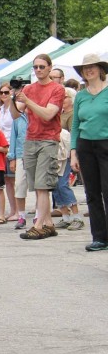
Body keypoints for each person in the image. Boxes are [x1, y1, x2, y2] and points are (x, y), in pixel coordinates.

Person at [10, 54, 65, 240]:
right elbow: (16, 115)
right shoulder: (28, 89)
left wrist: (27, 100)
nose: (38, 70)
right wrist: (12, 98)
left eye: (42, 66)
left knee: (42, 185)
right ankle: (49, 223)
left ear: (50, 67)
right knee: (36, 186)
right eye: (35, 67)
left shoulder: (57, 89)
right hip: (30, 139)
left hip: (48, 139)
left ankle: (38, 225)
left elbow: (48, 114)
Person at [70, 53, 108, 251]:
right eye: (85, 68)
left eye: (92, 66)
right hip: (85, 146)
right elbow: (75, 124)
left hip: (106, 144)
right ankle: (99, 237)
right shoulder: (81, 96)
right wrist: (73, 152)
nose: (89, 70)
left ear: (101, 69)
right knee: (92, 193)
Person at [53, 87, 83, 230]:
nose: (63, 99)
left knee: (63, 184)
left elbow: (72, 135)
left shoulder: (72, 115)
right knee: (55, 185)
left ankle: (76, 216)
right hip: (55, 152)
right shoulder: (59, 113)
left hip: (65, 152)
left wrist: (74, 155)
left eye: (65, 97)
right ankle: (65, 215)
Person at [0, 83, 18, 220]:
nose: (4, 95)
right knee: (7, 179)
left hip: (12, 144)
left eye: (6, 92)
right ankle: (13, 209)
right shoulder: (1, 108)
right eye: (1, 92)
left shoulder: (15, 107)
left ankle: (18, 210)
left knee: (14, 179)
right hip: (2, 145)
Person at [9, 110, 31, 230]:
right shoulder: (17, 117)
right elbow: (14, 137)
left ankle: (39, 214)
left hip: (35, 153)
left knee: (39, 186)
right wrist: (12, 157)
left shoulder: (37, 113)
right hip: (21, 154)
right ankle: (21, 215)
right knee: (19, 185)